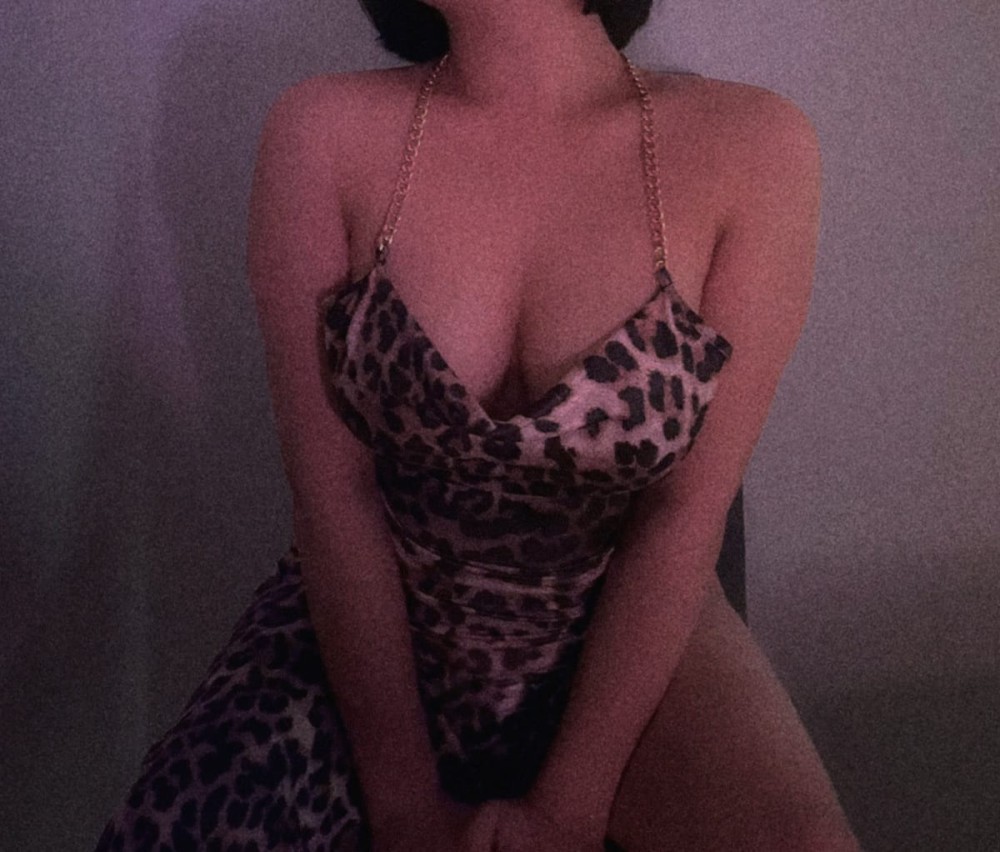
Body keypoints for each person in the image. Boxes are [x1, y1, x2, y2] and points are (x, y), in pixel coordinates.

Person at [96, 1, 862, 850]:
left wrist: (573, 802)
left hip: (623, 624)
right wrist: (403, 803)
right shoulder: (319, 131)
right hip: (383, 613)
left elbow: (686, 512)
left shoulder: (755, 147)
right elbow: (333, 496)